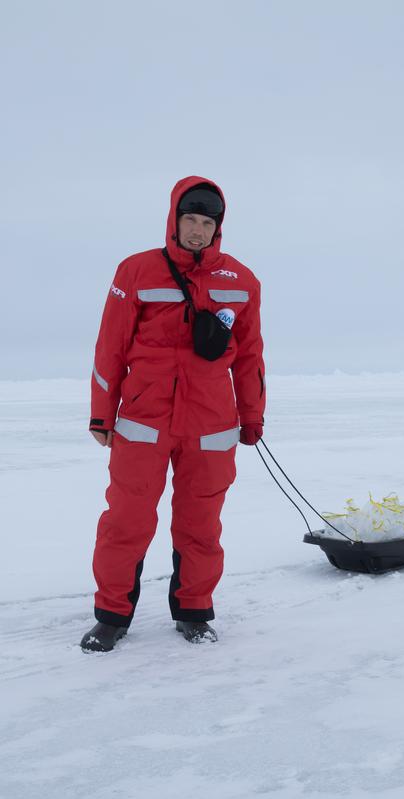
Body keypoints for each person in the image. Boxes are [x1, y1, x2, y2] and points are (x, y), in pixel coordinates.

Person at [80, 176, 266, 652]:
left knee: (201, 526)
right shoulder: (136, 271)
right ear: (174, 220)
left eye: (208, 222)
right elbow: (110, 347)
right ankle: (112, 616)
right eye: (191, 220)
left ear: (218, 227)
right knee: (126, 522)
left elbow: (250, 358)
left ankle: (195, 612)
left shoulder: (242, 281)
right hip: (144, 421)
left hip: (212, 425)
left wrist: (252, 415)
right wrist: (103, 415)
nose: (198, 230)